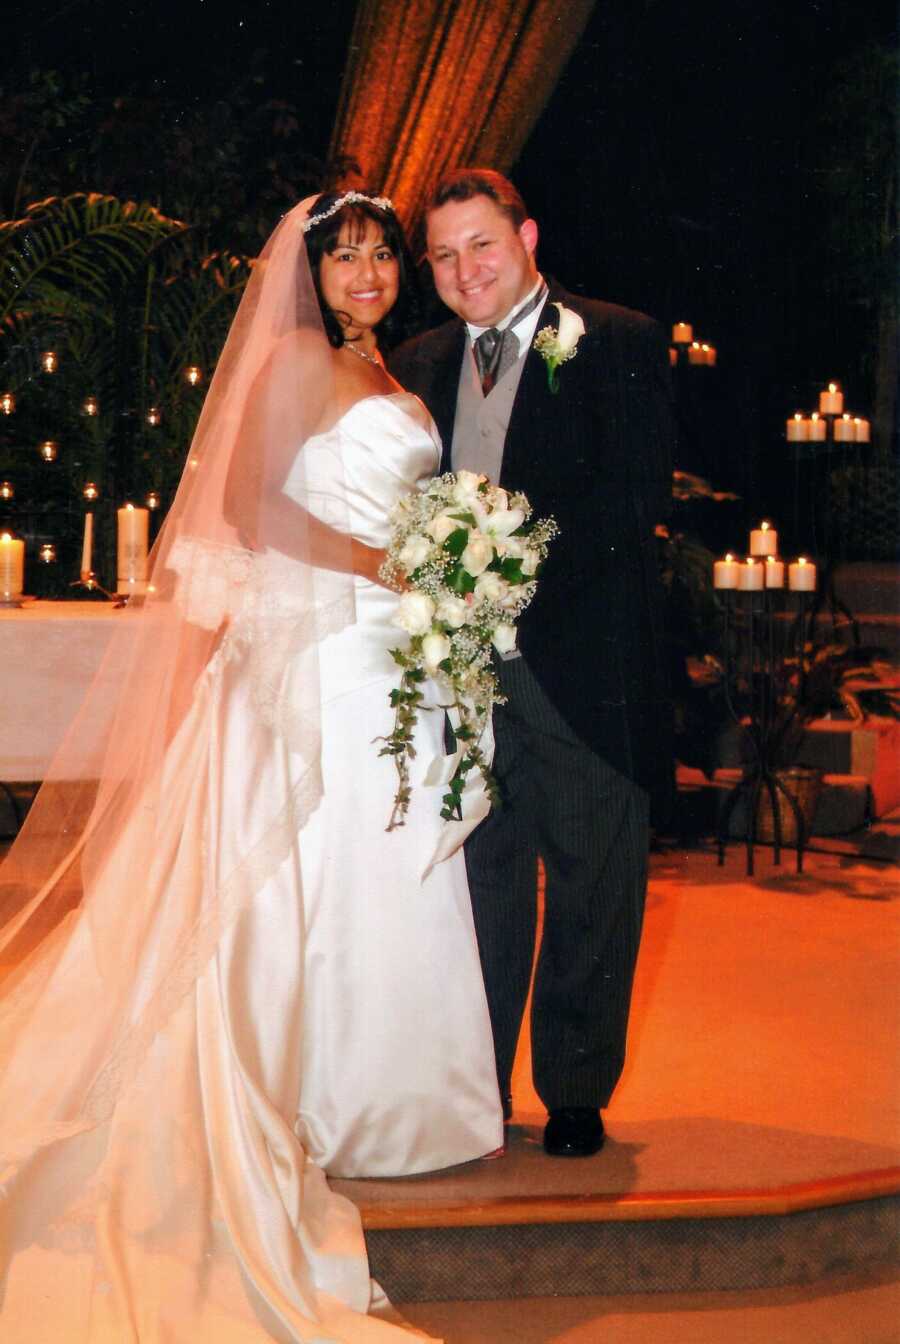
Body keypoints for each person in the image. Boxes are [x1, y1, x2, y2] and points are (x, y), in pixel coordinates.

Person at [0, 191, 502, 1341]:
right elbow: (245, 509)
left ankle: (395, 1106)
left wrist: (446, 568)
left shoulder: (388, 373)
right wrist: (390, 563)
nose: (369, 273)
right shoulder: (292, 358)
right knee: (305, 881)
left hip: (388, 647)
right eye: (348, 258)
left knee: (384, 871)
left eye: (383, 255)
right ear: (309, 273)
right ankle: (312, 1094)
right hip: (322, 648)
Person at [390, 168, 674, 1159]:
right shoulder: (415, 359)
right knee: (482, 888)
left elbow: (632, 497)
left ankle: (577, 1090)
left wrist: (508, 563)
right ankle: (479, 1089)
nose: (467, 269)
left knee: (595, 880)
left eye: (484, 245)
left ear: (527, 237)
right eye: (445, 254)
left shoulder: (619, 340)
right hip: (459, 675)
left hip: (584, 666)